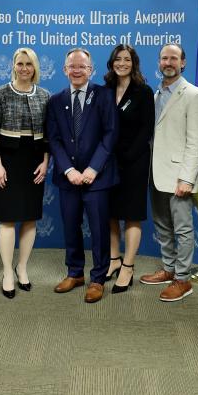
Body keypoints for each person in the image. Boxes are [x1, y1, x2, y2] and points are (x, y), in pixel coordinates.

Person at [46, 48, 118, 303]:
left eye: (82, 66)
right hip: (68, 179)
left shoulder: (105, 96)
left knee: (99, 230)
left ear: (91, 70)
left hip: (97, 178)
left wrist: (92, 169)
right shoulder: (56, 100)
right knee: (70, 226)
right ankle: (74, 272)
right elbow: (53, 140)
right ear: (64, 69)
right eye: (72, 66)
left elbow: (110, 135)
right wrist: (69, 170)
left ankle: (97, 278)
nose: (76, 70)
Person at [140, 44, 198, 302]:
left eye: (174, 58)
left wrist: (187, 178)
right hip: (155, 174)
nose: (168, 62)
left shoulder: (194, 95)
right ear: (159, 62)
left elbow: (196, 141)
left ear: (183, 62)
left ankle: (182, 279)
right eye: (164, 58)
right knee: (162, 225)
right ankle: (168, 269)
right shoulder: (156, 95)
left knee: (182, 229)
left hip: (179, 176)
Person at [0, 48, 51, 299]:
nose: (24, 68)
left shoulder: (44, 95)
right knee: (8, 218)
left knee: (30, 218)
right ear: (13, 66)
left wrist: (45, 162)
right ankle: (7, 272)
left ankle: (22, 267)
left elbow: (47, 136)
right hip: (7, 162)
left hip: (34, 162)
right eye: (20, 63)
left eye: (29, 64)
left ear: (35, 68)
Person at [102, 44, 154, 294]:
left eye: (127, 59)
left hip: (134, 162)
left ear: (134, 63)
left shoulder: (143, 92)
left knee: (131, 214)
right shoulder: (105, 90)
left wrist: (125, 157)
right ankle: (114, 260)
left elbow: (146, 130)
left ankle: (128, 266)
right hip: (107, 162)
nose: (122, 63)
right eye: (118, 59)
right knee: (111, 212)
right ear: (112, 62)